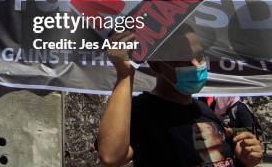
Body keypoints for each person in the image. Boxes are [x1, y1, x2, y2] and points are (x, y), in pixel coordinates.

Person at [97, 28, 264, 167]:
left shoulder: (204, 111)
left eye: (199, 56)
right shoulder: (142, 112)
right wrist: (125, 75)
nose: (196, 65)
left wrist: (243, 159)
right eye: (184, 59)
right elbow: (111, 156)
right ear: (156, 65)